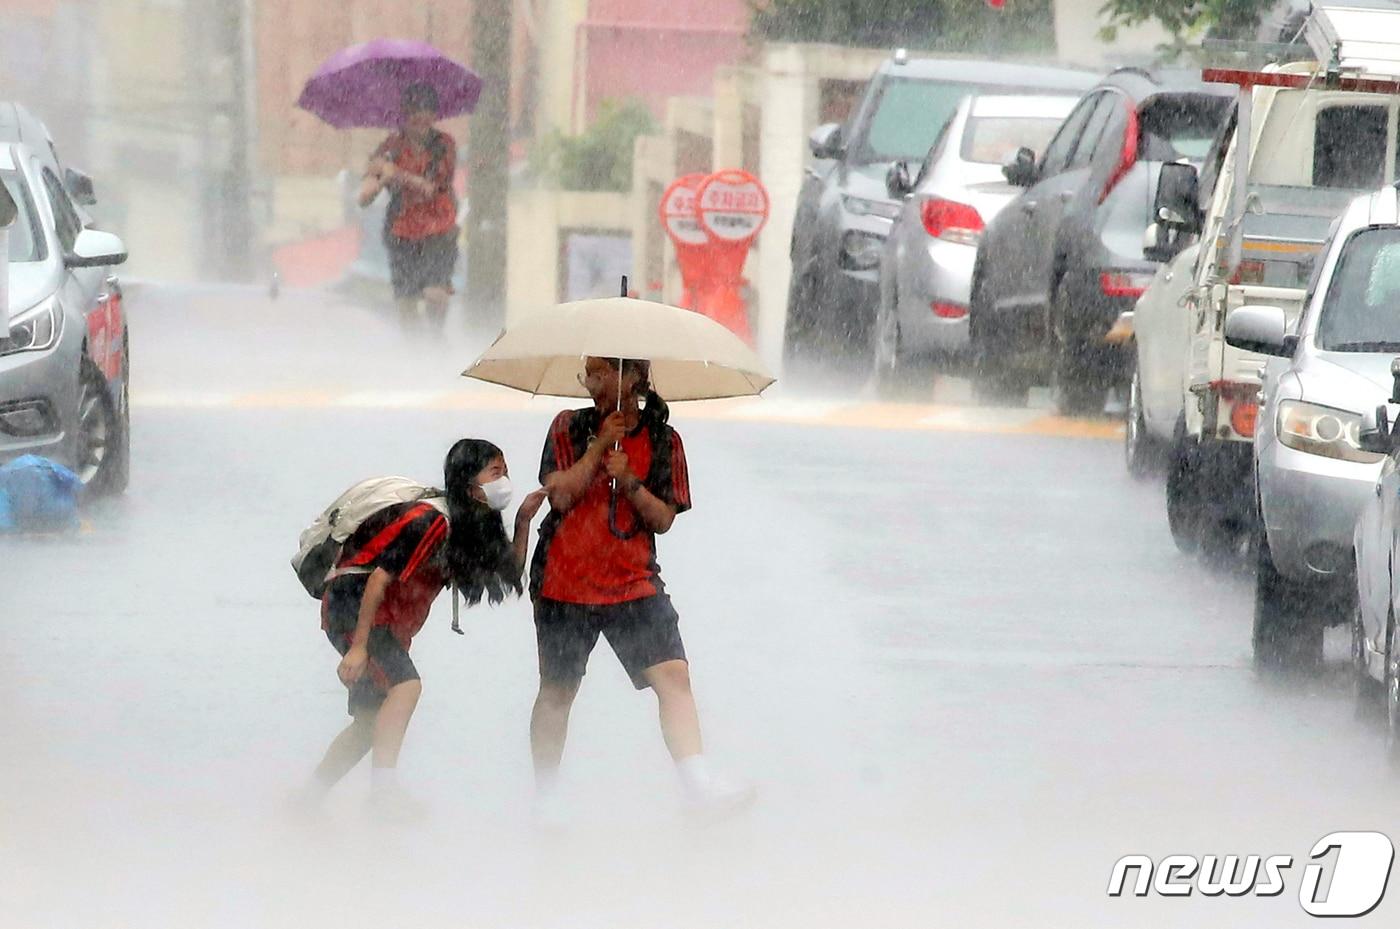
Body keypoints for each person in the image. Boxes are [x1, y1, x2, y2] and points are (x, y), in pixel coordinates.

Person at [528, 356, 754, 822]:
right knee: (558, 689)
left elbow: (663, 519)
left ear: (631, 377)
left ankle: (698, 784)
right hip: (564, 580)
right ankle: (545, 797)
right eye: (587, 372)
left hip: (632, 581)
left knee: (673, 676)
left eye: (599, 372)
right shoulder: (567, 427)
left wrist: (627, 478)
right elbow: (561, 495)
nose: (589, 381)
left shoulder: (663, 440)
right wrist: (596, 453)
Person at [309, 439, 546, 811]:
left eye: (506, 472)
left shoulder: (471, 524)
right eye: (495, 472)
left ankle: (307, 799)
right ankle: (383, 796)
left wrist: (523, 521)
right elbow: (378, 579)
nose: (505, 482)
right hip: (354, 611)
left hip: (380, 623)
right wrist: (358, 646)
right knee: (407, 686)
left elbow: (509, 574)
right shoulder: (432, 521)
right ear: (469, 483)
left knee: (369, 725)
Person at [358, 83, 459, 332]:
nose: (421, 118)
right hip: (401, 232)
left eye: (427, 110)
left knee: (436, 292)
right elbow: (363, 198)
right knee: (406, 303)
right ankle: (414, 357)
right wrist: (383, 177)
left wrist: (400, 175)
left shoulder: (444, 144)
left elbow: (431, 187)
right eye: (415, 111)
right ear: (404, 115)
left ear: (435, 115)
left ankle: (436, 339)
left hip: (439, 228)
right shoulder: (390, 148)